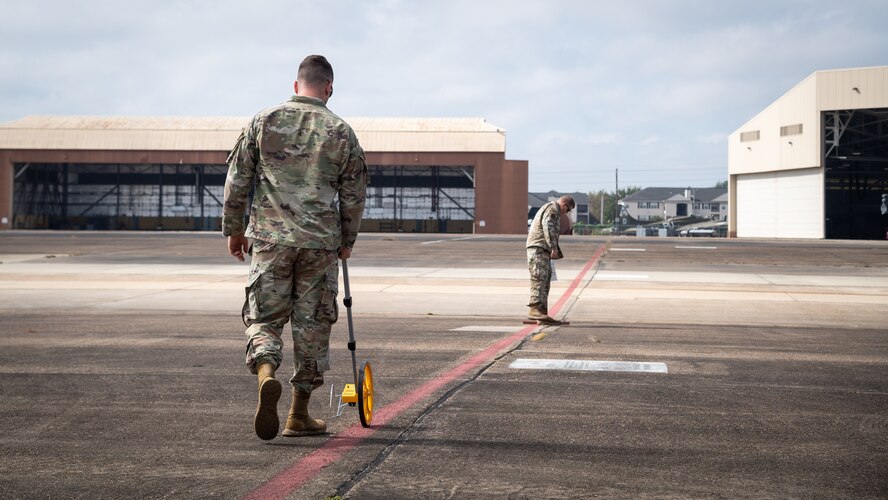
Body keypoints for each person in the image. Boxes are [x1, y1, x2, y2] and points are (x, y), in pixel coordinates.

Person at [222, 55, 368, 441]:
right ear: (329, 89)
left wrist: (234, 231)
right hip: (320, 245)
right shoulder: (342, 131)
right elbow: (354, 196)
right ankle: (298, 415)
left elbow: (238, 180)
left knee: (264, 319)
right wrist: (347, 242)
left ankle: (267, 374)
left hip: (270, 240)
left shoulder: (263, 121)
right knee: (312, 327)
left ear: (295, 85)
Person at [526, 195, 575, 324]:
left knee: (545, 279)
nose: (567, 213)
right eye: (568, 210)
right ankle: (535, 309)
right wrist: (553, 247)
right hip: (539, 248)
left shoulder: (552, 209)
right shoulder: (553, 209)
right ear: (564, 205)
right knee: (539, 277)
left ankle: (541, 312)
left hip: (542, 249)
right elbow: (548, 227)